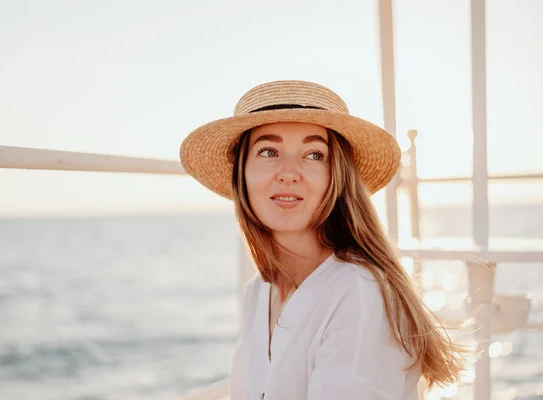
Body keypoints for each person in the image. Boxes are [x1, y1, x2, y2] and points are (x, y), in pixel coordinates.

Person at [180, 80, 465, 399]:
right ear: (242, 173)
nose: (288, 172)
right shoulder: (258, 293)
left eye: (314, 154)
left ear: (337, 177)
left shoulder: (359, 292)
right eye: (268, 151)